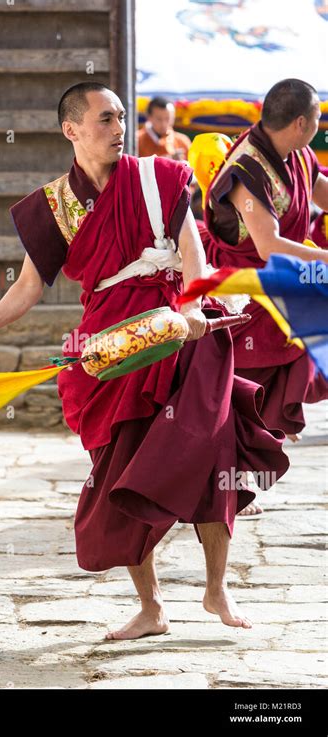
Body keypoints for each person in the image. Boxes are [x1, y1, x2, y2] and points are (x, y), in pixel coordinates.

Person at [0, 82, 289, 640]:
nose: (117, 129)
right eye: (105, 120)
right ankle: (151, 606)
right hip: (113, 345)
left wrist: (187, 312)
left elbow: (193, 250)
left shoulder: (160, 176)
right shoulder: (58, 204)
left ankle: (216, 589)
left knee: (213, 455)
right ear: (72, 131)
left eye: (119, 118)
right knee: (122, 471)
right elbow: (33, 283)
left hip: (180, 326)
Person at [198, 79, 328, 516]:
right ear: (301, 122)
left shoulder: (296, 153)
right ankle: (231, 476)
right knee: (243, 383)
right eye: (317, 119)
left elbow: (321, 192)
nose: (319, 125)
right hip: (245, 289)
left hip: (284, 281)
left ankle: (247, 464)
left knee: (284, 369)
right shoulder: (246, 168)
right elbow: (269, 245)